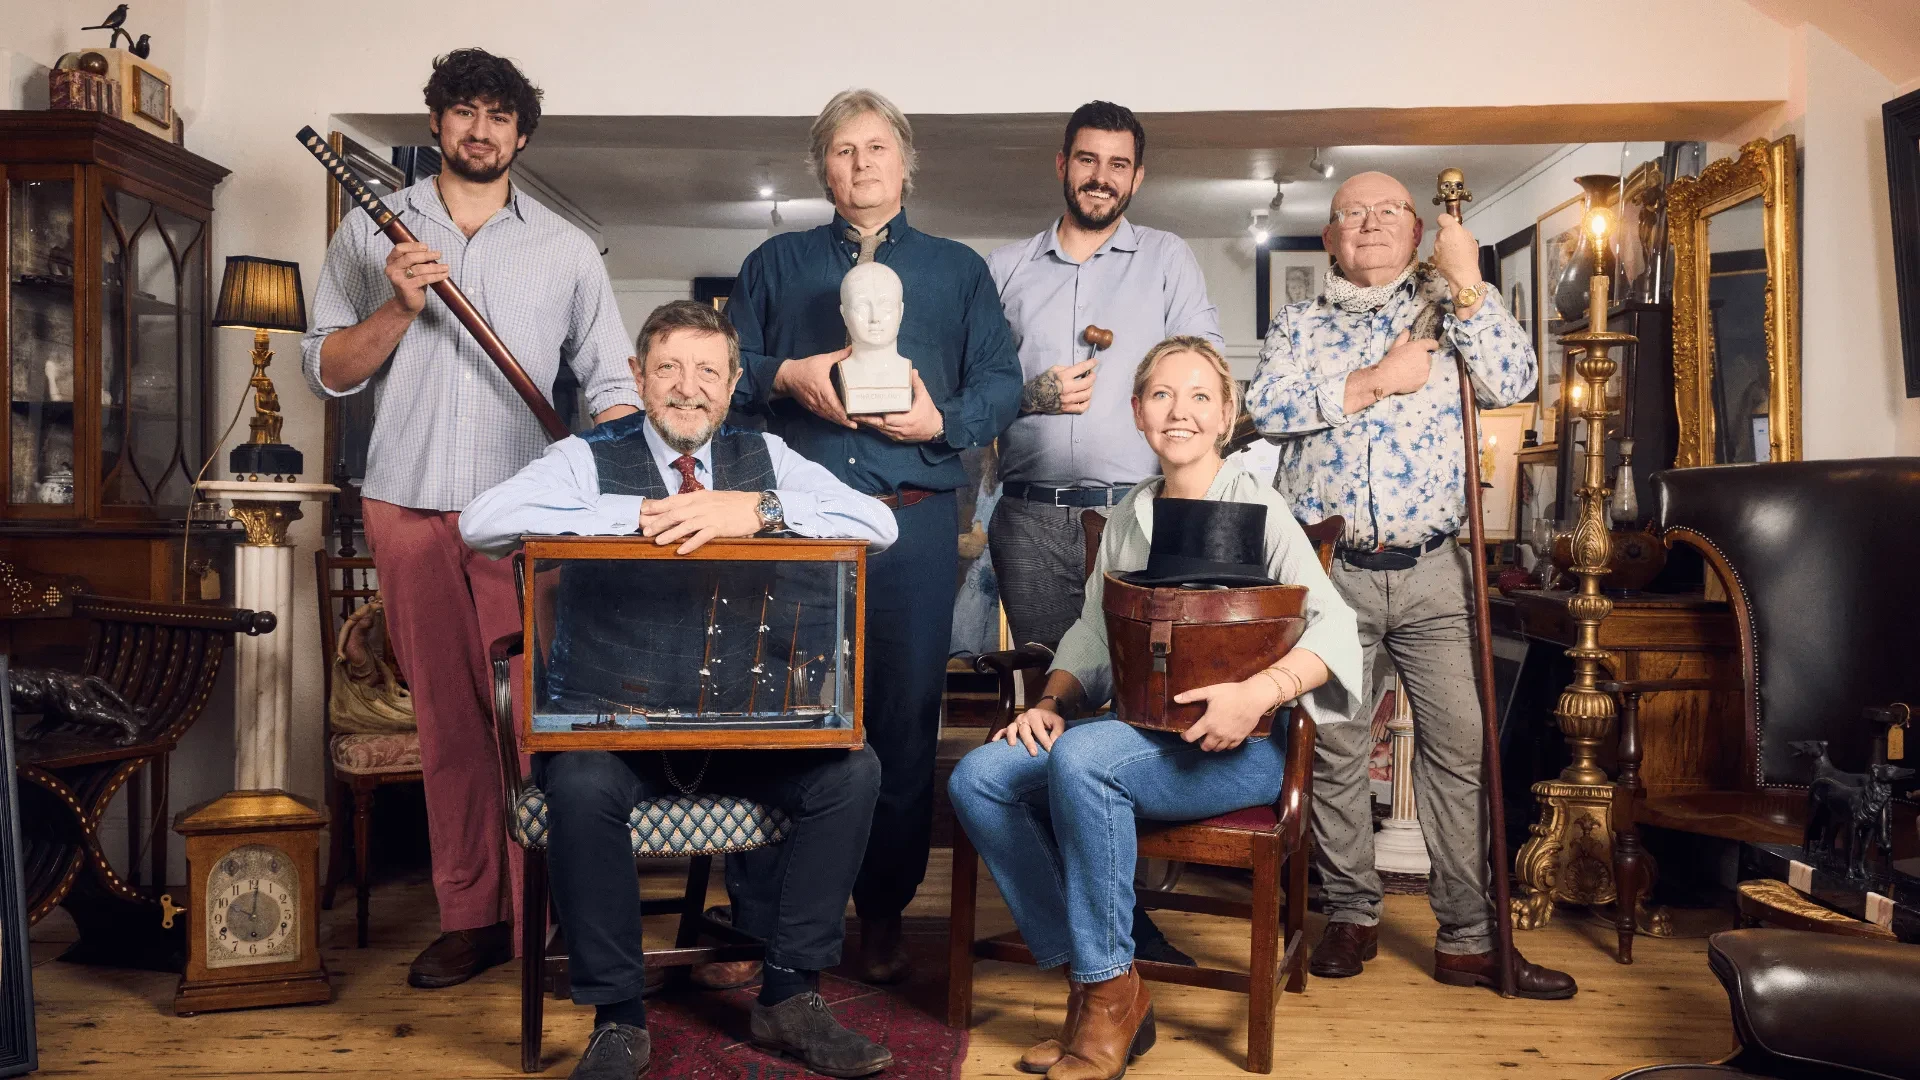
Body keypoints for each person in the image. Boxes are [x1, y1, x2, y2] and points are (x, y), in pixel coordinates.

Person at [461, 301, 898, 1080]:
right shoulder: (584, 458)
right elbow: (481, 523)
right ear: (638, 377)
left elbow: (876, 524)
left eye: (707, 371)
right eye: (668, 368)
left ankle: (789, 995)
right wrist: (644, 515)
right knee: (581, 781)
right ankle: (618, 1018)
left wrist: (755, 510)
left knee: (852, 770)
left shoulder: (765, 457)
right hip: (616, 729)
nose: (687, 388)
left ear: (732, 386)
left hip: (739, 732)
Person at [301, 48, 639, 989]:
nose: (479, 128)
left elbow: (611, 381)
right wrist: (399, 307)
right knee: (448, 723)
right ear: (439, 122)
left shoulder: (566, 248)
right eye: (463, 111)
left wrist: (625, 448)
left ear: (521, 134)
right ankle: (472, 916)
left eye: (498, 114)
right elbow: (327, 370)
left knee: (537, 720)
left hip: (524, 515)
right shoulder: (373, 235)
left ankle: (552, 916)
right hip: (403, 503)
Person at [949, 336, 1362, 1080]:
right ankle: (1108, 983)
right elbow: (1090, 630)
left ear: (1228, 414)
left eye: (1201, 395)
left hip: (1236, 751)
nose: (1181, 412)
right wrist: (1050, 700)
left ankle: (1103, 1002)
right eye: (1163, 396)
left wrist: (1256, 694)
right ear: (1139, 412)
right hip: (1135, 734)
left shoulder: (1260, 510)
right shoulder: (1132, 511)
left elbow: (1336, 633)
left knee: (1082, 757)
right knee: (978, 776)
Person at [1247, 171, 1577, 998]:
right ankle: (1351, 914)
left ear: (1420, 227)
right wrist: (1375, 380)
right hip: (1329, 577)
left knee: (1460, 754)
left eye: (1387, 211)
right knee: (1334, 748)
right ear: (1327, 236)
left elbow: (1515, 379)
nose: (1367, 224)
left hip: (1437, 572)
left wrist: (1467, 283)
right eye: (1349, 213)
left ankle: (1468, 934)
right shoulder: (1299, 321)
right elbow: (1267, 406)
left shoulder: (1452, 300)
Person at [722, 87, 1024, 985]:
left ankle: (883, 913)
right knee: (779, 722)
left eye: (877, 149)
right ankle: (762, 919)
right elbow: (723, 373)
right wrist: (787, 373)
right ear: (824, 167)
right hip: (795, 536)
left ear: (905, 163)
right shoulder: (774, 264)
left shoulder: (959, 271)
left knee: (898, 727)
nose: (862, 164)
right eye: (844, 151)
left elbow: (1003, 383)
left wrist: (942, 419)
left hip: (913, 535)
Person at [984, 99, 1224, 968]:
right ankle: (1083, 915)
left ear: (1137, 176)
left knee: (1140, 716)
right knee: (1056, 710)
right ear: (1061, 165)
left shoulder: (1167, 259)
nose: (1101, 177)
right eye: (1087, 160)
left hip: (1141, 517)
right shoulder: (1006, 269)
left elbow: (1204, 365)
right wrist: (1031, 394)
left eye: (1118, 164)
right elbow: (972, 398)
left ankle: (1125, 917)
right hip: (1031, 517)